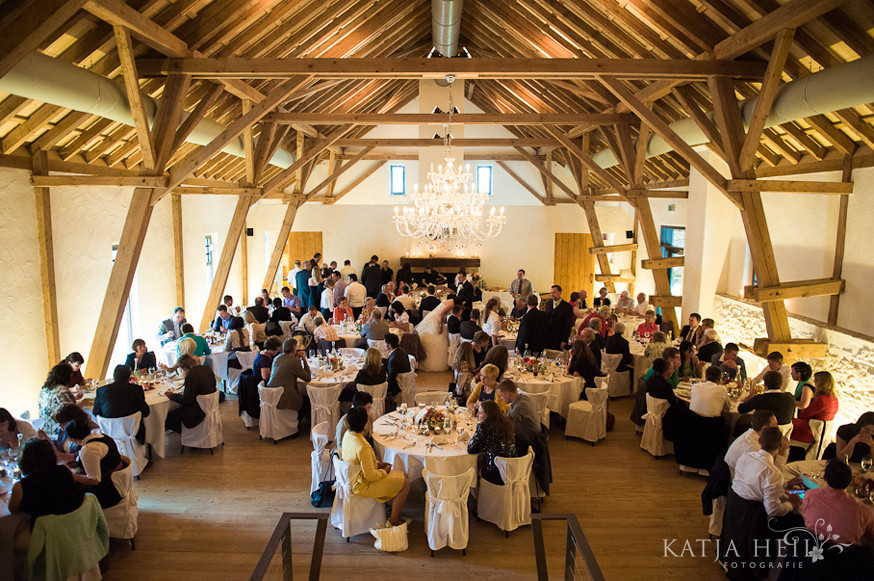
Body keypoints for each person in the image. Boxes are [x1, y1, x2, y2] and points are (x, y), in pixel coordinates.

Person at [340, 407, 410, 527]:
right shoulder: (363, 446)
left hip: (353, 477)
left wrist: (378, 464)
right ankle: (393, 521)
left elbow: (358, 461)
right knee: (405, 484)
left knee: (404, 476)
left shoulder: (348, 435)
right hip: (362, 485)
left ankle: (393, 511)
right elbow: (371, 476)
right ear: (366, 424)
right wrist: (384, 471)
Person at [803, 459, 874, 546]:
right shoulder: (863, 510)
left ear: (825, 477)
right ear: (849, 482)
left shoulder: (810, 495)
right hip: (846, 557)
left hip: (810, 551)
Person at [7, 438, 83, 519]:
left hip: (45, 529)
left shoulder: (20, 487)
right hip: (73, 523)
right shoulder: (64, 471)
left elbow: (13, 511)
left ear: (24, 461)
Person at [64, 419, 124, 509]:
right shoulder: (103, 437)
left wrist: (72, 476)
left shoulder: (89, 449)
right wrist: (78, 464)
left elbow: (94, 480)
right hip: (117, 482)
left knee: (66, 495)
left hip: (108, 491)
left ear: (72, 439)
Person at [92, 364, 150, 444]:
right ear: (129, 376)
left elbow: (95, 412)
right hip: (132, 432)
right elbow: (146, 412)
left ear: (114, 376)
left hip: (109, 432)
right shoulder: (136, 389)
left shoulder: (101, 391)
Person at [467, 400, 518, 490]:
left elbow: (471, 449)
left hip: (498, 473)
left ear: (488, 415)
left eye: (480, 413)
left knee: (473, 471)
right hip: (513, 469)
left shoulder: (483, 427)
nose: (477, 415)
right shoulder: (506, 422)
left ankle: (482, 502)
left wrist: (476, 435)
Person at [789, 371, 839, 461]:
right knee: (793, 421)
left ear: (821, 383)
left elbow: (803, 414)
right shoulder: (834, 398)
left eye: (815, 381)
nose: (814, 383)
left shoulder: (821, 400)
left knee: (785, 426)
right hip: (820, 431)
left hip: (810, 431)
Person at [724, 410, 783, 477]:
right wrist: (782, 453)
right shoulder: (753, 446)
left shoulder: (752, 434)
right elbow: (771, 476)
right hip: (738, 481)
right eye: (775, 425)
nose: (778, 428)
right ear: (764, 429)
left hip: (746, 475)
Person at [165, 362, 217, 433]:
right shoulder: (206, 368)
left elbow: (187, 399)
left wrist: (172, 396)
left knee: (166, 420)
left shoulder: (192, 376)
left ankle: (186, 434)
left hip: (196, 413)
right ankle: (188, 436)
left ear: (184, 368)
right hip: (209, 407)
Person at [267, 338, 311, 413]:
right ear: (294, 348)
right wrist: (304, 359)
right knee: (308, 400)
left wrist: (296, 358)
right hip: (284, 398)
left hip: (271, 395)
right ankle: (299, 423)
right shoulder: (294, 361)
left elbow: (288, 364)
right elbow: (307, 378)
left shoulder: (277, 358)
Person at [497, 379, 540, 452]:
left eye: (501, 395)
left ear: (508, 394)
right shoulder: (521, 398)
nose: (500, 399)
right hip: (523, 437)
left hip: (529, 443)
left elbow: (506, 422)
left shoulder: (521, 406)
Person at [38, 363, 78, 438]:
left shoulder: (44, 390)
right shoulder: (63, 391)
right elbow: (72, 413)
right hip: (60, 433)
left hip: (45, 431)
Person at [544, 285, 574, 350]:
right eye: (551, 293)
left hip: (558, 337)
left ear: (560, 292)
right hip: (547, 337)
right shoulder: (548, 303)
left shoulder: (567, 307)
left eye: (554, 292)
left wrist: (564, 340)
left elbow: (568, 325)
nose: (552, 294)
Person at [385, 333, 411, 399]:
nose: (383, 345)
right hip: (405, 380)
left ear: (389, 345)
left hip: (398, 385)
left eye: (384, 343)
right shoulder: (401, 351)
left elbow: (391, 378)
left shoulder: (394, 359)